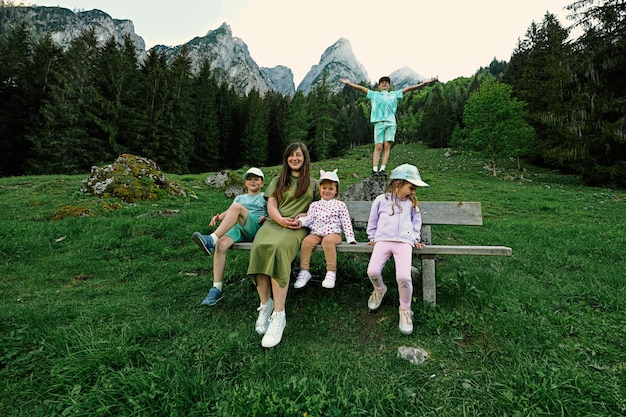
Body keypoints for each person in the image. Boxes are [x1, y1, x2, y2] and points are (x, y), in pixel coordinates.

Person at [247, 142, 318, 348]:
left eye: (298, 155)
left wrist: (305, 215)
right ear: (286, 159)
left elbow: (318, 206)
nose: (294, 158)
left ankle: (279, 315)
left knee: (278, 248)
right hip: (274, 223)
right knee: (260, 246)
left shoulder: (313, 183)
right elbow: (272, 204)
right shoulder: (279, 180)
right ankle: (265, 304)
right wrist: (279, 220)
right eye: (290, 155)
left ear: (305, 158)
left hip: (297, 227)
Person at [365, 163, 430, 335]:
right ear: (397, 184)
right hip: (383, 240)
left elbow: (416, 223)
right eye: (411, 187)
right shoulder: (381, 200)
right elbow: (373, 221)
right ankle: (379, 289)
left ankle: (405, 309)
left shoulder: (412, 204)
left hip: (404, 243)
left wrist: (415, 238)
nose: (413, 192)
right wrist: (372, 236)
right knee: (372, 271)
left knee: (403, 276)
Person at [192, 167, 267, 306]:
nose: (253, 182)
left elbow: (271, 213)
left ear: (262, 183)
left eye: (256, 179)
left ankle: (211, 239)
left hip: (254, 228)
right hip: (239, 228)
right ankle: (217, 288)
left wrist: (266, 218)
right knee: (221, 244)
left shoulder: (264, 197)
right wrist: (218, 217)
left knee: (237, 207)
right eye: (249, 179)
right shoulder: (240, 198)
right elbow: (230, 211)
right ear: (245, 183)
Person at [340, 76, 437, 177]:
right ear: (379, 86)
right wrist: (349, 83)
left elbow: (409, 88)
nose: (384, 83)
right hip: (379, 122)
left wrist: (423, 84)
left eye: (386, 82)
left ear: (389, 85)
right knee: (378, 146)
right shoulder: (374, 94)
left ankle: (382, 169)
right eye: (382, 82)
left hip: (391, 122)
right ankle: (374, 170)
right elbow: (361, 88)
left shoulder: (394, 94)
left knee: (387, 146)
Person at [293, 169, 357, 290]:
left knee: (327, 241)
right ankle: (304, 271)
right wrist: (300, 222)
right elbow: (310, 219)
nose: (327, 191)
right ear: (320, 189)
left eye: (331, 189)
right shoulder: (314, 205)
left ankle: (331, 272)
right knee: (307, 242)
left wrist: (350, 238)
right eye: (324, 188)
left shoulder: (340, 205)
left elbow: (346, 221)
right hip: (316, 232)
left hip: (333, 234)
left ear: (336, 191)